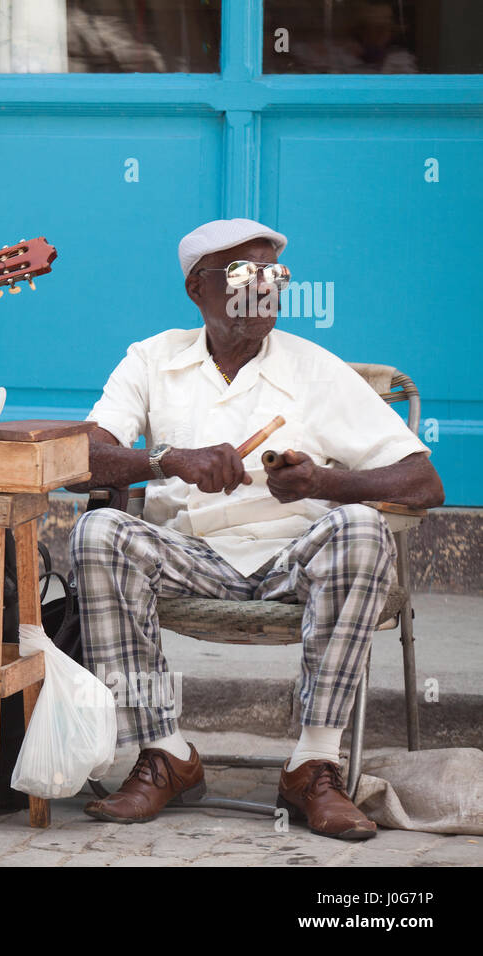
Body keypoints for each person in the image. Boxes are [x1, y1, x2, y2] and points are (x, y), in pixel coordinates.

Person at [71, 217, 443, 840]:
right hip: (189, 553)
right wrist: (168, 461)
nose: (263, 289)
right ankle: (165, 755)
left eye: (275, 276)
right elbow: (81, 457)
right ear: (197, 289)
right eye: (244, 274)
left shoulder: (314, 367)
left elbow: (422, 482)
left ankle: (314, 767)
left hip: (292, 558)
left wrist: (323, 483)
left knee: (358, 528)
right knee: (98, 531)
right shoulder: (153, 359)